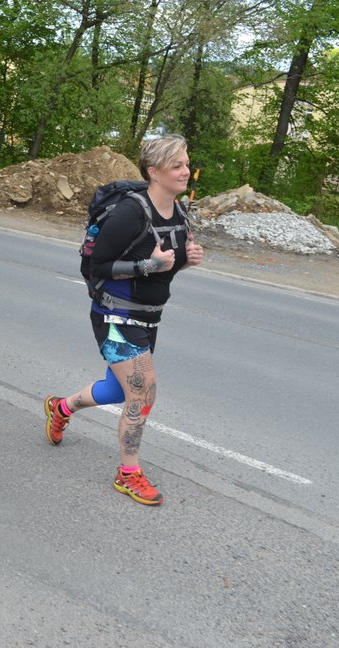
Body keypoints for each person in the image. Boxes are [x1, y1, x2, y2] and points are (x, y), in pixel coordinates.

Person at [43, 135, 204, 506]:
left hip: (148, 317)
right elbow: (97, 266)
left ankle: (61, 407)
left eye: (185, 163)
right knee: (143, 391)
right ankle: (128, 473)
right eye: (177, 165)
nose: (185, 171)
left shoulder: (178, 214)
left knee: (119, 390)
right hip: (115, 313)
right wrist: (152, 264)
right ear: (154, 171)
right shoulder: (131, 212)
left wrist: (183, 261)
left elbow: (161, 272)